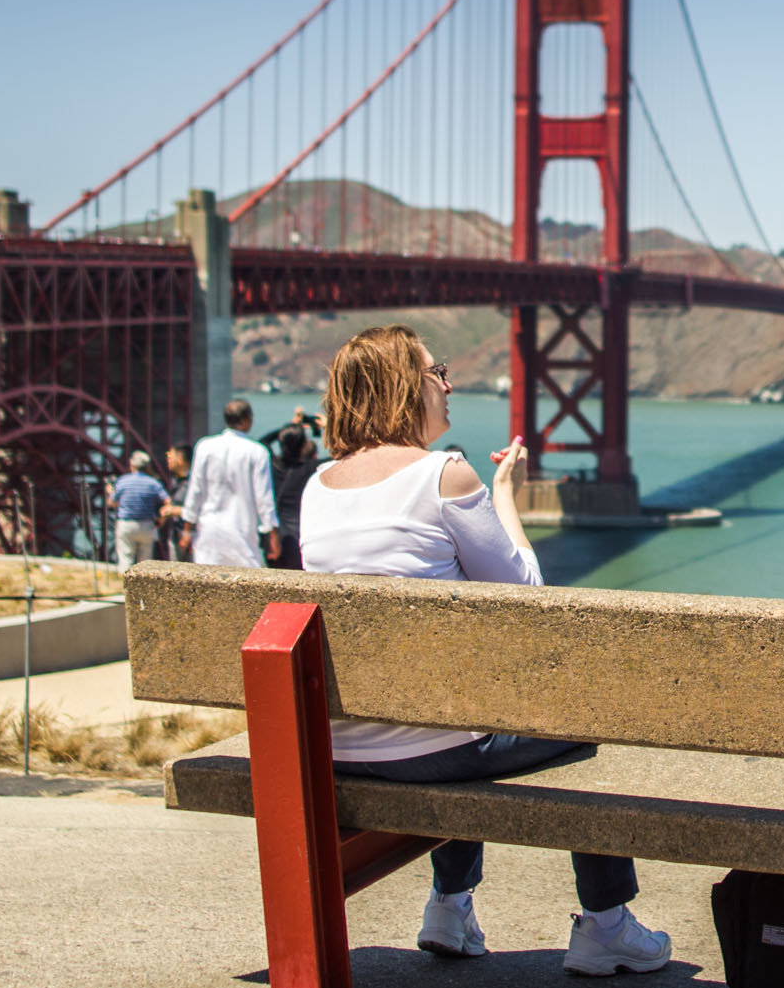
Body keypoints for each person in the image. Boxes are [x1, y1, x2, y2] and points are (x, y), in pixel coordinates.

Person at [299, 324, 671, 975]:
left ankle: (449, 903)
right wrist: (505, 495)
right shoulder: (444, 474)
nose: (448, 382)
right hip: (434, 751)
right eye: (433, 370)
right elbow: (523, 597)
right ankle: (605, 922)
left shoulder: (315, 488)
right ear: (399, 386)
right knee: (580, 711)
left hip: (342, 750)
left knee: (454, 690)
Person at [180, 399, 280, 567]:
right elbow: (264, 498)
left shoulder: (204, 447)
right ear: (247, 419)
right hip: (242, 531)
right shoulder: (257, 452)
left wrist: (187, 530)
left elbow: (195, 491)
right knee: (247, 586)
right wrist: (273, 534)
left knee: (207, 586)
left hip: (208, 532)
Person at [107, 450, 171, 572]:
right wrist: (162, 519)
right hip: (147, 524)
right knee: (145, 562)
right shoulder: (153, 483)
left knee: (126, 558)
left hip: (126, 524)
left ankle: (125, 587)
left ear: (132, 465)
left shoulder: (123, 481)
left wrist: (110, 491)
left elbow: (111, 502)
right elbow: (167, 501)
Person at [267, 426, 320, 570]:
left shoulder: (273, 465)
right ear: (303, 446)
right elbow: (342, 456)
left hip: (275, 539)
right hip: (299, 537)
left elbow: (262, 442)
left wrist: (288, 428)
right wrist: (327, 426)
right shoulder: (311, 468)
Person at [158, 443, 193, 561]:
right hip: (175, 534)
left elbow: (200, 509)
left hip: (191, 536)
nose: (168, 459)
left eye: (170, 456)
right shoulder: (176, 481)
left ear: (180, 459)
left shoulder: (194, 482)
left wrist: (175, 511)